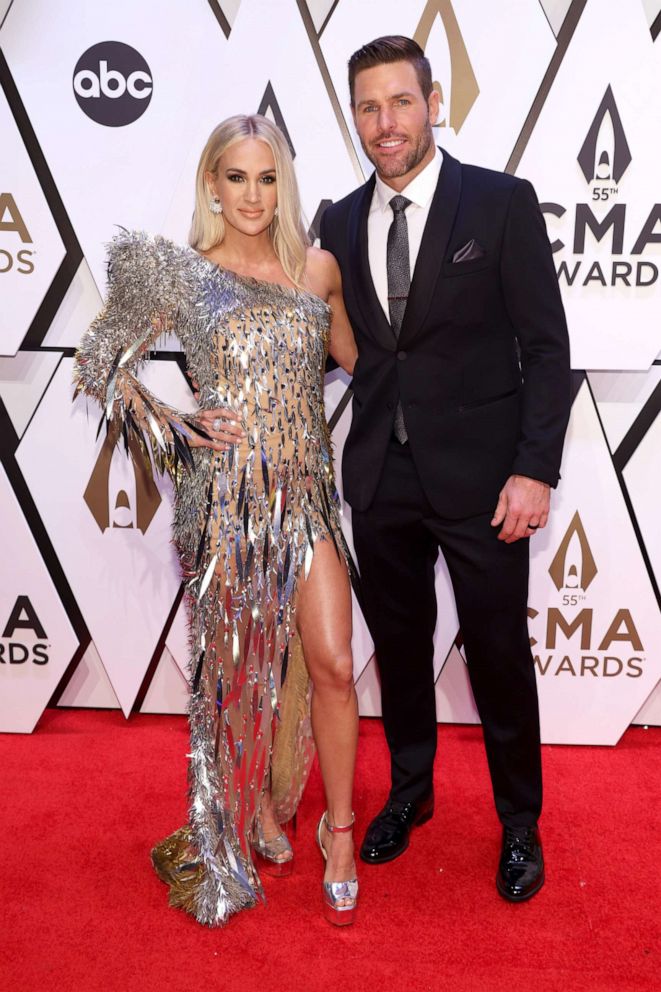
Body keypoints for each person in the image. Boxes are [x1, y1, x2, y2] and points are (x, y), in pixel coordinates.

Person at [74, 114, 360, 927]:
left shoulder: (318, 270)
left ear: (284, 186)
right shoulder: (182, 274)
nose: (252, 195)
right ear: (211, 183)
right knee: (237, 680)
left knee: (332, 664)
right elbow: (101, 364)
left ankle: (338, 835)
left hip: (307, 497)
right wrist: (177, 423)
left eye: (267, 179)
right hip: (226, 503)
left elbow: (367, 367)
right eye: (236, 177)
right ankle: (252, 812)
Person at [320, 36, 571, 902]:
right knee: (396, 651)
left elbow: (545, 348)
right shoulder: (337, 220)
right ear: (352, 115)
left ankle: (518, 823)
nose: (384, 124)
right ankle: (410, 793)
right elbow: (328, 347)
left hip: (483, 481)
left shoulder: (500, 204)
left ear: (432, 102)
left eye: (399, 101)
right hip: (380, 479)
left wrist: (534, 468)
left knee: (497, 653)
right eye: (367, 106)